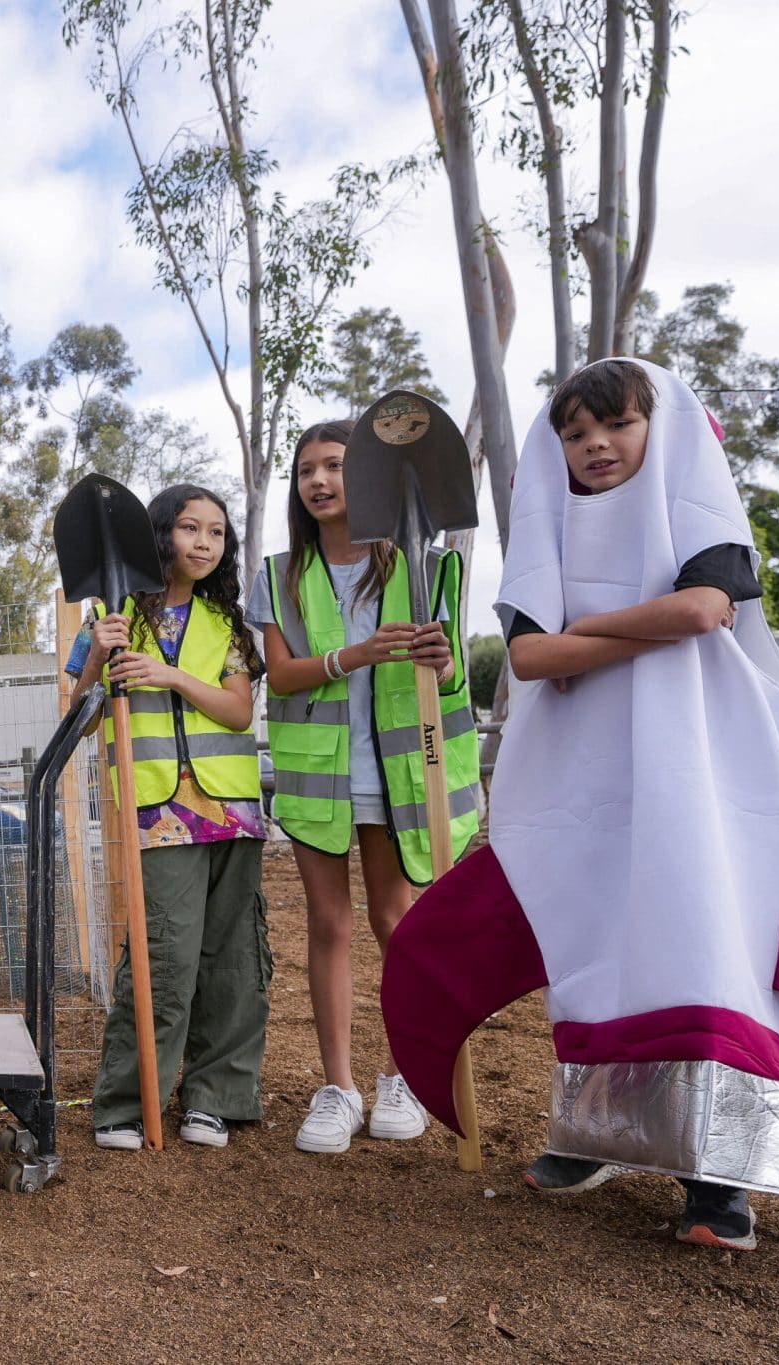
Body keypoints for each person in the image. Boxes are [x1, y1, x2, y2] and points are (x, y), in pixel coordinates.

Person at [380, 358, 779, 1251]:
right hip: (590, 782)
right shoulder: (556, 530)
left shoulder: (696, 507)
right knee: (598, 946)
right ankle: (594, 1131)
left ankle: (717, 1178)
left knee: (702, 948)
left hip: (699, 777)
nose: (595, 446)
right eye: (574, 434)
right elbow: (531, 660)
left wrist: (585, 632)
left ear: (662, 430)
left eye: (616, 426)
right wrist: (600, 633)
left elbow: (703, 608)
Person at [246, 416, 479, 1155]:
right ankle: (338, 1085)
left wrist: (439, 659)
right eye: (307, 469)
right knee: (329, 923)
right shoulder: (277, 575)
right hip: (320, 777)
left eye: (336, 466)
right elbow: (280, 675)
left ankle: (403, 1075)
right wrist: (354, 655)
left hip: (397, 775)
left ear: (367, 477)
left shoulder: (422, 565)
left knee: (395, 920)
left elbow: (446, 671)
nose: (318, 480)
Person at [66, 485, 269, 1153]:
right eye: (190, 528)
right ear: (161, 535)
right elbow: (80, 709)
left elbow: (239, 712)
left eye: (216, 532)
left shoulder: (227, 623)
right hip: (160, 811)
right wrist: (100, 653)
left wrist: (171, 675)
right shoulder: (111, 617)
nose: (205, 542)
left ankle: (215, 1096)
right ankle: (129, 1100)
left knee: (232, 960)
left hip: (232, 810)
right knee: (165, 958)